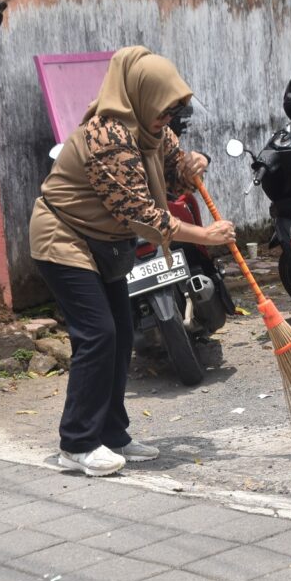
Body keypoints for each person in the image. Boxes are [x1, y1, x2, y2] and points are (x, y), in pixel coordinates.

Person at [29, 46, 236, 477]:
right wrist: (204, 236)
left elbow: (176, 166)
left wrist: (195, 163)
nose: (166, 120)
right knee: (98, 334)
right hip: (64, 237)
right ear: (139, 96)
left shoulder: (152, 130)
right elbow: (140, 213)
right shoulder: (107, 137)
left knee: (122, 335)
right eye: (162, 111)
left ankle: (112, 434)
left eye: (171, 112)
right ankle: (78, 442)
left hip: (105, 243)